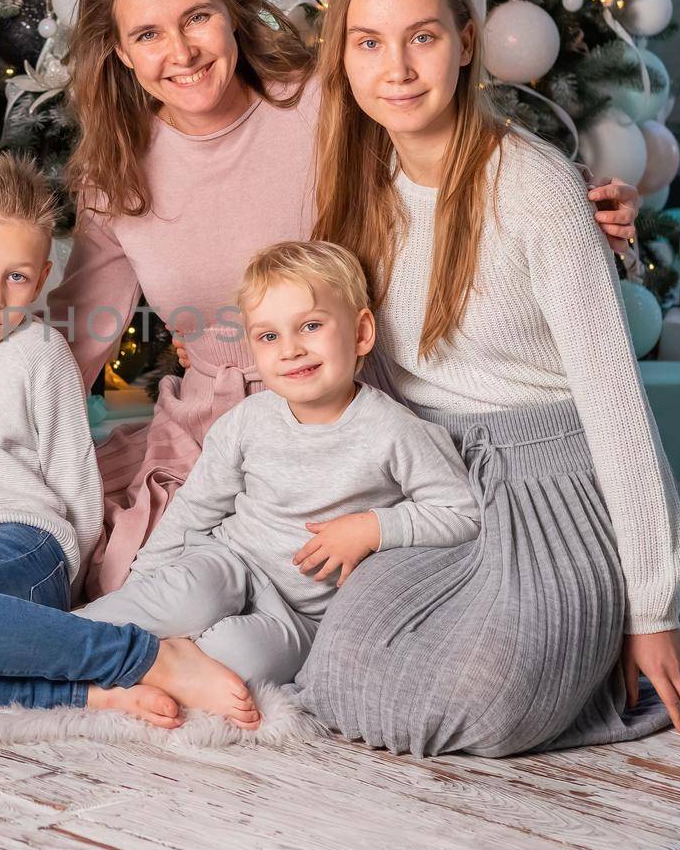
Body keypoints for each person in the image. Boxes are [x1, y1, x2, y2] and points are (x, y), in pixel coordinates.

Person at [48, 0, 641, 599]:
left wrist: (574, 197)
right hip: (209, 434)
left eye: (197, 18)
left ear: (231, 12)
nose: (179, 52)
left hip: (346, 413)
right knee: (134, 584)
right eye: (147, 35)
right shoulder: (116, 176)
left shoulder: (320, 103)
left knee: (320, 592)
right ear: (119, 52)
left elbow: (448, 152)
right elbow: (73, 342)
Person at [293, 0, 680, 756]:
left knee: (482, 702)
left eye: (423, 36)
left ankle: (579, 657)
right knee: (336, 676)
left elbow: (615, 402)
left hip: (551, 488)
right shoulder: (358, 188)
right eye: (369, 43)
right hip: (435, 489)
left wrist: (653, 608)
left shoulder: (534, 184)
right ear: (342, 56)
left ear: (466, 43)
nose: (398, 68)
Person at [0, 153, 257, 730]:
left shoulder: (39, 351)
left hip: (16, 542)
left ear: (43, 278)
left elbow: (74, 481)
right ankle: (84, 695)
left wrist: (67, 577)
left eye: (17, 278)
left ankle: (145, 656)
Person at [79, 240, 480, 690]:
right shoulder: (249, 421)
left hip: (304, 614)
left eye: (310, 325)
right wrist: (143, 583)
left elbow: (463, 514)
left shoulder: (394, 430)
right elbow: (197, 507)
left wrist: (374, 527)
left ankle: (169, 663)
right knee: (185, 596)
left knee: (240, 657)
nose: (289, 349)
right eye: (269, 336)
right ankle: (60, 640)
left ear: (362, 332)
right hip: (231, 561)